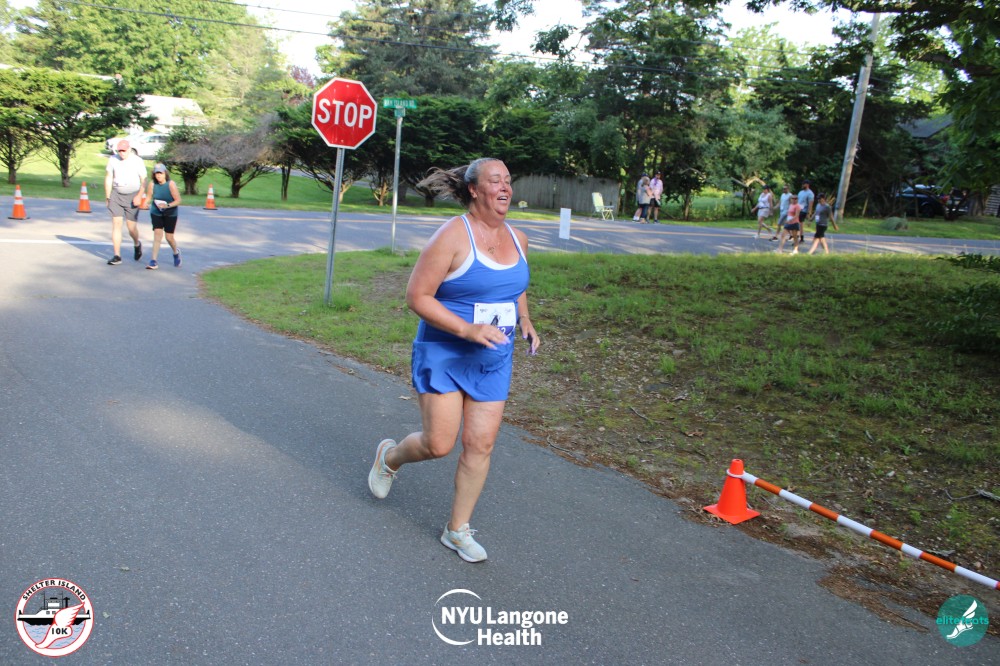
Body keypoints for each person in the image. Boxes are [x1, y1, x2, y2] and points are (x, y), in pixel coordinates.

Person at [367, 157, 540, 563]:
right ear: (474, 190)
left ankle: (457, 530)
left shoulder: (519, 238)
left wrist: (525, 319)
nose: (505, 188)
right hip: (445, 351)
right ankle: (390, 457)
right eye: (495, 181)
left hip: (493, 356)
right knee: (438, 444)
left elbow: (514, 285)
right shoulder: (451, 236)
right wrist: (466, 330)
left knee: (481, 444)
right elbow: (417, 296)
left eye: (508, 181)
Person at [104, 139, 147, 265]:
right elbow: (109, 177)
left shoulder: (137, 161)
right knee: (116, 224)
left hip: (133, 195)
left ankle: (137, 244)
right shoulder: (113, 160)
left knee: (131, 227)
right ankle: (117, 255)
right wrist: (108, 196)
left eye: (124, 150)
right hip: (117, 194)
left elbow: (144, 180)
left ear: (129, 149)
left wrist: (139, 196)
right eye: (120, 151)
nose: (122, 153)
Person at [144, 163, 182, 269]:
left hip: (170, 213)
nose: (159, 175)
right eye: (157, 173)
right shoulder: (152, 184)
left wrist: (167, 205)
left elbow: (178, 200)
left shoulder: (171, 184)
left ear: (165, 173)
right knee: (157, 235)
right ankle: (153, 261)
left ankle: (176, 252)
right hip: (156, 212)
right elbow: (148, 197)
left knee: (169, 237)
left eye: (161, 173)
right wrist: (145, 203)